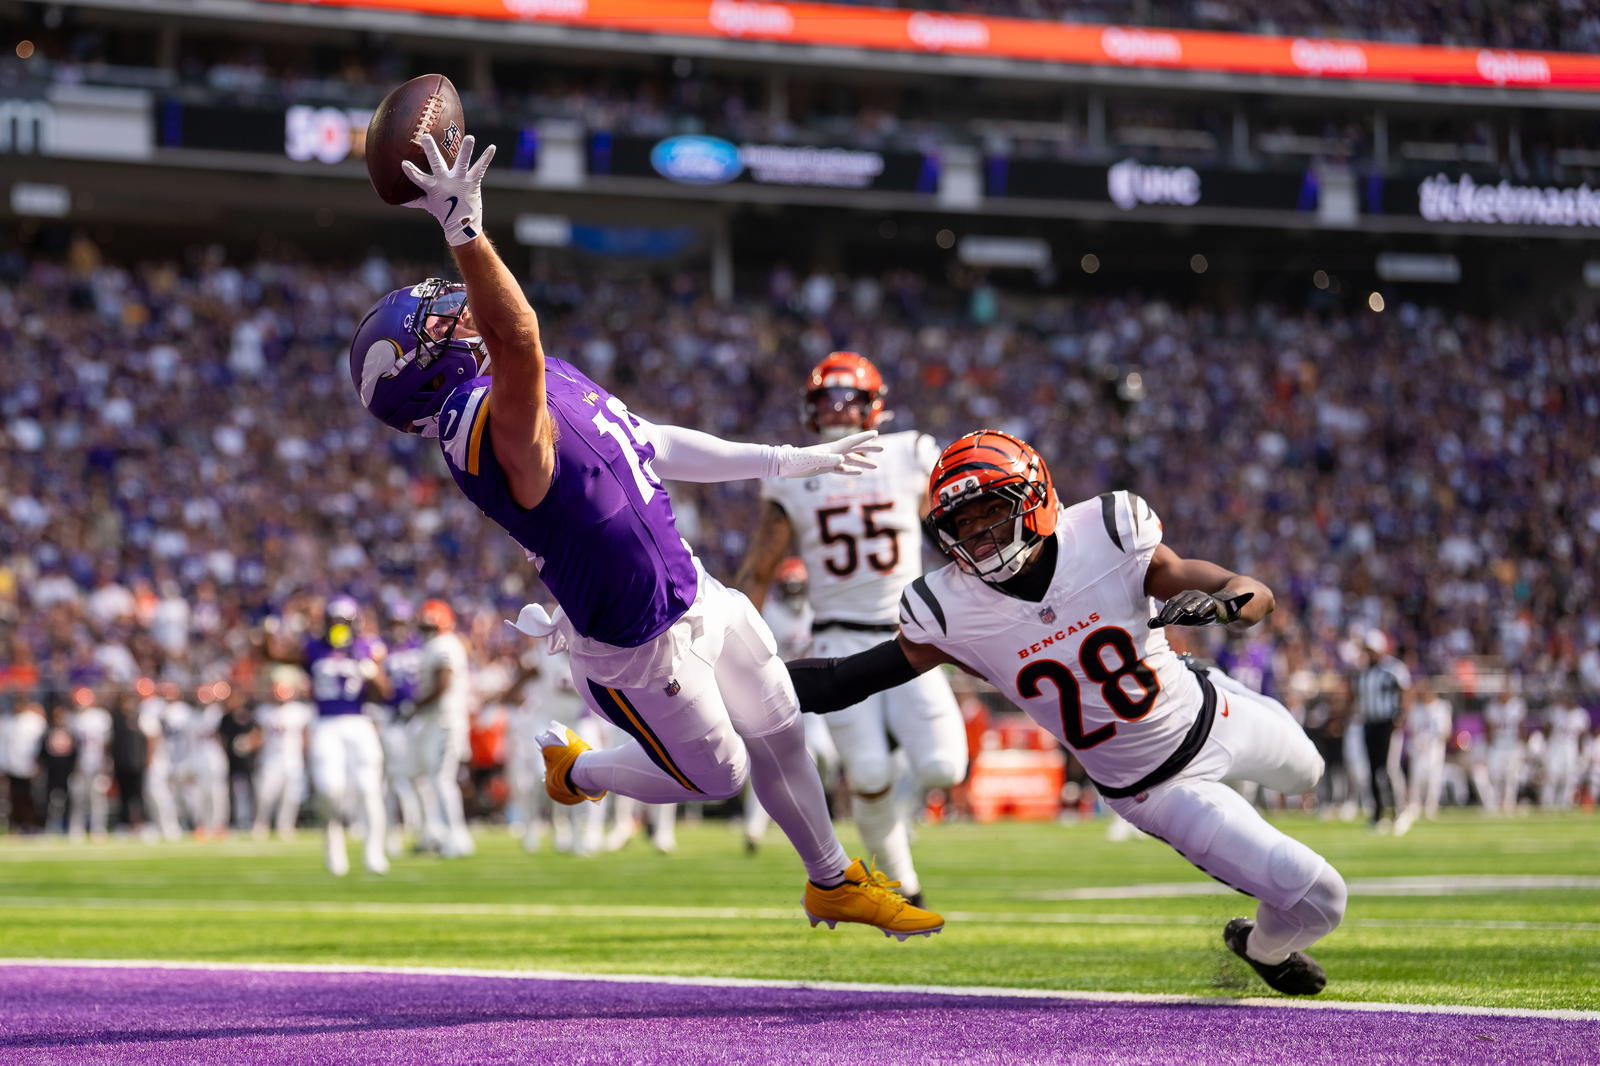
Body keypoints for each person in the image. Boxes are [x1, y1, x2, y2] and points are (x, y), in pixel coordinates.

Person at [349, 131, 936, 938]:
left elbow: (647, 438)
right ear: (427, 370)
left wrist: (787, 461)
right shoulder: (479, 419)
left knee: (779, 721)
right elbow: (518, 336)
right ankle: (579, 769)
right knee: (720, 773)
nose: (459, 317)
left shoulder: (518, 384)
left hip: (691, 584)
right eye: (441, 326)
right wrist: (465, 229)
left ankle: (831, 880)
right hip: (636, 644)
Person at [786, 431, 1346, 993]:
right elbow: (845, 679)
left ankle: (1210, 684)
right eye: (963, 525)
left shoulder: (1107, 532)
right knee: (1322, 898)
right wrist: (733, 682)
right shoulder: (950, 608)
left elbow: (1246, 591)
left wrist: (1231, 604)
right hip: (1155, 788)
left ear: (1035, 500)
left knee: (1310, 771)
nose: (979, 537)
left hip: (1213, 709)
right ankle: (1262, 948)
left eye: (991, 514)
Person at [735, 352, 965, 906]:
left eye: (848, 402)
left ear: (874, 408)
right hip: (838, 637)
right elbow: (759, 569)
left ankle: (895, 821)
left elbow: (950, 530)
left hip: (910, 632)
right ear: (810, 411)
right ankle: (904, 881)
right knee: (865, 774)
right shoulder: (793, 473)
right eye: (826, 402)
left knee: (945, 765)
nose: (837, 413)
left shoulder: (910, 452)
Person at [263, 596, 390, 876]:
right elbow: (275, 653)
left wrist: (372, 674)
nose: (338, 627)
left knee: (369, 789)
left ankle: (374, 852)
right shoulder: (314, 648)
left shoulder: (366, 647)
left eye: (343, 622)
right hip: (325, 724)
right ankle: (333, 847)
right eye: (334, 622)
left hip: (359, 722)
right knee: (328, 789)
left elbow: (386, 692)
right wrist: (270, 625)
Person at [407, 599, 474, 858]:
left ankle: (457, 838)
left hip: (445, 719)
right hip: (435, 720)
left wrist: (414, 706)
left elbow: (443, 682)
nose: (423, 627)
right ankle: (437, 833)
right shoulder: (433, 645)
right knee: (432, 779)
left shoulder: (445, 645)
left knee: (442, 779)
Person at [1347, 630, 1410, 830]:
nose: (1369, 654)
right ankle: (1378, 813)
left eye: (1371, 650)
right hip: (1369, 722)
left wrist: (1401, 717)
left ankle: (1399, 810)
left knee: (1388, 768)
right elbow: (1356, 696)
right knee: (1373, 770)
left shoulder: (1393, 669)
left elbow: (1405, 693)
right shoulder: (1362, 672)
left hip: (1388, 723)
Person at [253, 673, 312, 840]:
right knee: (265, 794)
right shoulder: (264, 711)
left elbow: (305, 736)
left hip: (293, 759)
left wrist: (306, 754)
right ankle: (261, 823)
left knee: (291, 796)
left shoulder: (300, 711)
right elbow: (258, 736)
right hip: (270, 758)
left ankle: (285, 825)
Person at [1398, 681, 1453, 832]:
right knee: (1416, 779)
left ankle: (1431, 806)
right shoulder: (1416, 708)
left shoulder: (1442, 707)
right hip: (1418, 748)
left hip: (1435, 749)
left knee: (1433, 779)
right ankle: (1415, 805)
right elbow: (1411, 728)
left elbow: (1446, 731)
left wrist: (1434, 741)